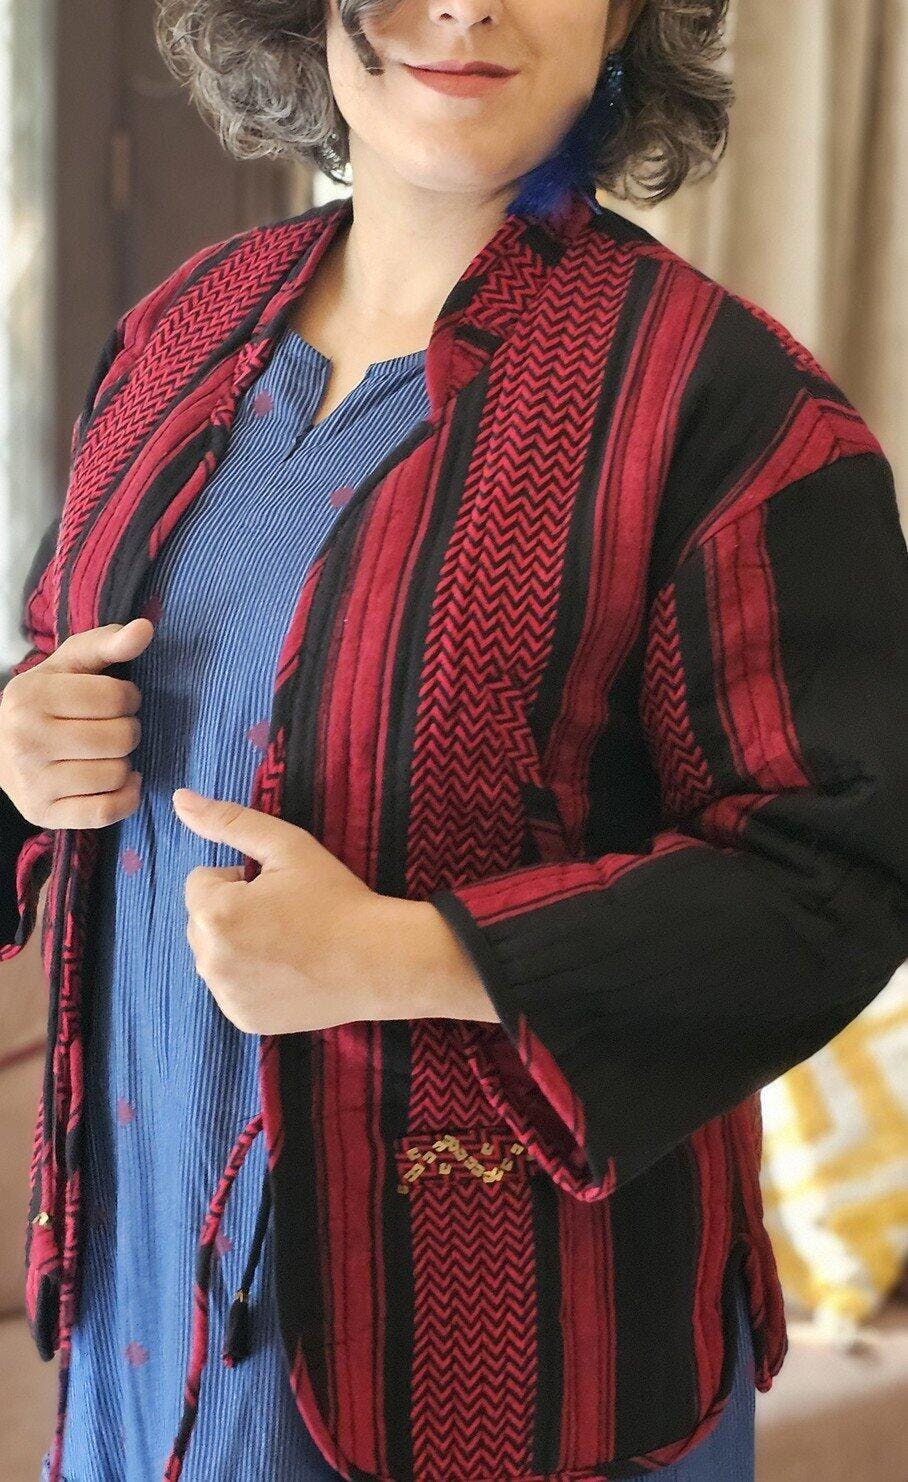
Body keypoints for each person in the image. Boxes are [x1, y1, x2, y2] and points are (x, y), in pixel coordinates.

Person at [0, 1, 905, 1480]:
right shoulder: (178, 332)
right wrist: (25, 742)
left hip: (514, 1370)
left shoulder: (730, 406)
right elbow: (61, 651)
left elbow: (837, 871)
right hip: (145, 1309)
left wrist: (411, 956)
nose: (467, 4)